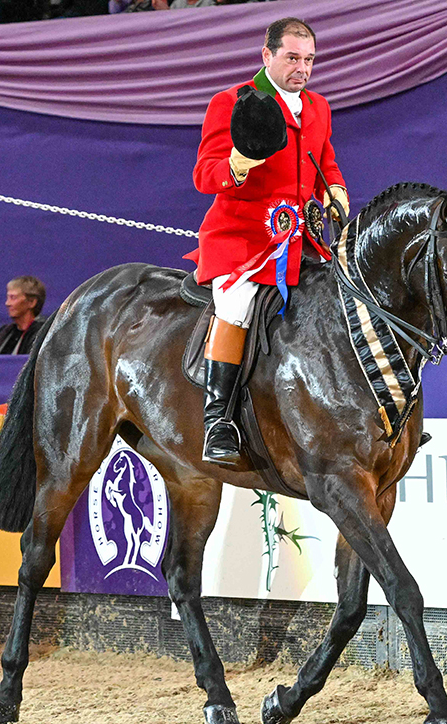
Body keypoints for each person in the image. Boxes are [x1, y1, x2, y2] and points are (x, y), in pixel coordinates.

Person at [184, 16, 347, 465]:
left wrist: (335, 189)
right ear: (267, 55)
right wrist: (237, 164)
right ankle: (218, 420)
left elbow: (324, 162)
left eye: (309, 60)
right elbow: (204, 175)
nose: (302, 68)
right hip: (242, 241)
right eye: (292, 58)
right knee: (236, 308)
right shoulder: (231, 102)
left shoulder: (318, 107)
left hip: (302, 241)